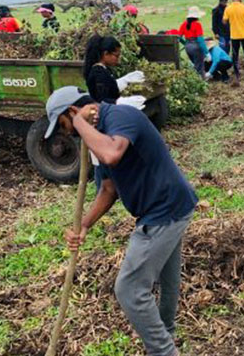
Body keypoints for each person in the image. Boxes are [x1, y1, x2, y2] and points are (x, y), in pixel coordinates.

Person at [49, 86, 196, 356]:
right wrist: (84, 225)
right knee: (168, 279)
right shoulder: (99, 135)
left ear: (72, 111)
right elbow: (109, 189)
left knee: (129, 289)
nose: (66, 133)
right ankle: (167, 335)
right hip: (170, 205)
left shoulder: (120, 116)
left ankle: (163, 351)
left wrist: (80, 123)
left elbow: (112, 153)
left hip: (164, 210)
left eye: (63, 124)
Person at [83, 35, 145, 105]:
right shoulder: (98, 72)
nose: (118, 60)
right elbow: (101, 99)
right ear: (106, 53)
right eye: (116, 56)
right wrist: (121, 102)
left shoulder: (105, 69)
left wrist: (125, 80)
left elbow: (108, 87)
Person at [223, 0, 244, 83]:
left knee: (235, 55)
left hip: (234, 36)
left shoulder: (228, 8)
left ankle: (237, 74)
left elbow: (224, 21)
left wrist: (231, 22)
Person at [178, 6, 208, 76]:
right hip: (196, 47)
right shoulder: (197, 24)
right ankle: (201, 80)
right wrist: (206, 52)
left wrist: (185, 43)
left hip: (188, 48)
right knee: (199, 68)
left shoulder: (183, 24)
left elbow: (178, 38)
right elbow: (200, 40)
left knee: (195, 65)